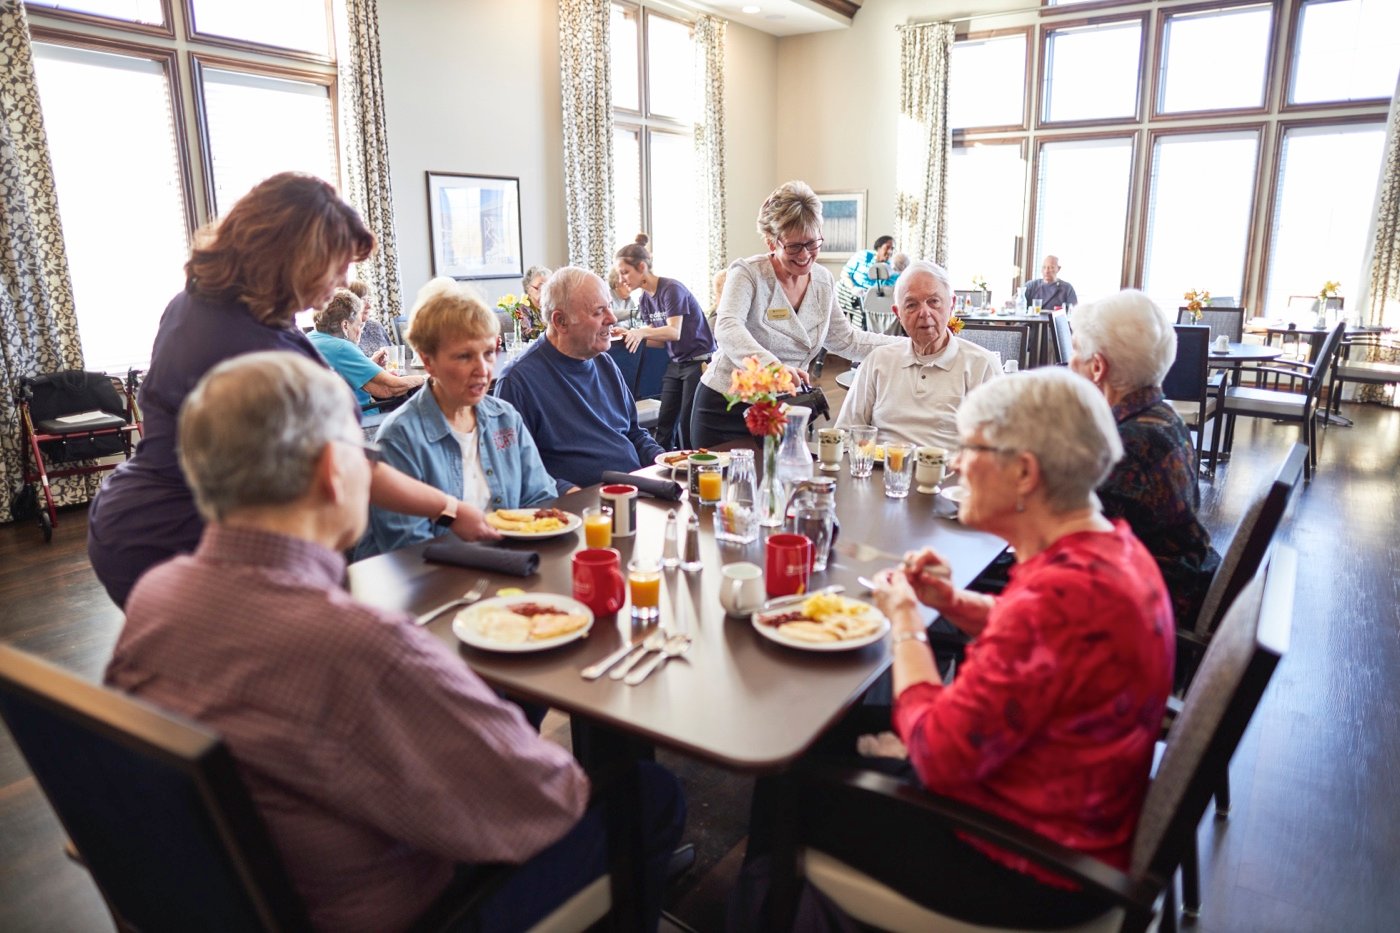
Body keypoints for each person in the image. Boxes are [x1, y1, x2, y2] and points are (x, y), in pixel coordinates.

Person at [105, 352, 683, 932]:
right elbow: (543, 801)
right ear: (336, 470)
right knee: (649, 794)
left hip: (231, 899)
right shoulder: (360, 645)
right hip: (411, 912)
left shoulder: (155, 596)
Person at [743, 369, 1173, 930]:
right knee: (813, 739)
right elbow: (1046, 650)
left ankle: (767, 911)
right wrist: (954, 602)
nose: (954, 463)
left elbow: (935, 755)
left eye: (970, 448)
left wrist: (907, 623)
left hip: (1024, 868)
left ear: (1024, 472)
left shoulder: (1056, 599)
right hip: (1065, 808)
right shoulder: (1109, 552)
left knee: (784, 779)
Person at [87, 172, 499, 609]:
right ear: (295, 254)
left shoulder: (202, 304)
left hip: (134, 516)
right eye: (337, 262)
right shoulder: (252, 343)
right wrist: (451, 509)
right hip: (177, 535)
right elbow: (354, 464)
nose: (343, 278)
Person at [691, 181, 903, 447]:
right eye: (794, 247)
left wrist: (910, 345)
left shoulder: (823, 281)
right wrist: (774, 369)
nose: (805, 255)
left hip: (784, 411)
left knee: (779, 486)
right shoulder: (748, 274)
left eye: (812, 243)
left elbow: (848, 341)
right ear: (771, 241)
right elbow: (728, 328)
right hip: (725, 407)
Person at [362, 278, 557, 557]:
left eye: (488, 353)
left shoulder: (505, 418)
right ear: (428, 361)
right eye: (464, 356)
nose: (482, 369)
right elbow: (408, 547)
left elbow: (540, 498)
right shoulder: (401, 436)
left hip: (514, 562)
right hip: (440, 582)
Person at [1069, 289, 1222, 629]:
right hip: (1163, 583)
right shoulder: (1161, 417)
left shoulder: (1129, 447)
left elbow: (1064, 546)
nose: (1069, 363)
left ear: (1097, 367)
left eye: (1075, 350)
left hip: (1137, 616)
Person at [496, 267, 664, 491]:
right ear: (561, 322)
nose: (612, 318)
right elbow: (516, 469)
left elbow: (634, 433)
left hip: (634, 490)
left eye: (610, 307)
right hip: (580, 506)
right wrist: (570, 492)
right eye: (598, 312)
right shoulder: (517, 382)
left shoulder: (604, 362)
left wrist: (666, 462)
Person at [834, 260, 1000, 450]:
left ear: (951, 304)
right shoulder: (878, 360)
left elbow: (997, 449)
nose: (924, 313)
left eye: (934, 301)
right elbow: (845, 433)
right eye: (912, 305)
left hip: (948, 476)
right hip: (881, 473)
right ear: (898, 313)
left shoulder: (982, 365)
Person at [615, 234, 717, 450]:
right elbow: (658, 341)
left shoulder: (672, 289)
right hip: (676, 363)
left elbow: (673, 332)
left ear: (641, 267)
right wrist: (629, 335)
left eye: (625, 272)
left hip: (697, 362)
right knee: (665, 423)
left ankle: (693, 469)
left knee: (688, 424)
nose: (622, 279)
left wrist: (641, 332)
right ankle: (661, 467)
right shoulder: (644, 299)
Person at [309, 289, 424, 409]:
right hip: (363, 420)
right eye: (359, 325)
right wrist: (427, 378)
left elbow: (344, 371)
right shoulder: (342, 348)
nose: (361, 331)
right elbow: (390, 388)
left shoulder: (311, 338)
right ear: (345, 325)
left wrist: (369, 363)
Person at [349, 280, 393, 362]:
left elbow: (393, 354)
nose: (369, 306)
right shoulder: (345, 332)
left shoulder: (375, 326)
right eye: (362, 300)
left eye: (369, 300)